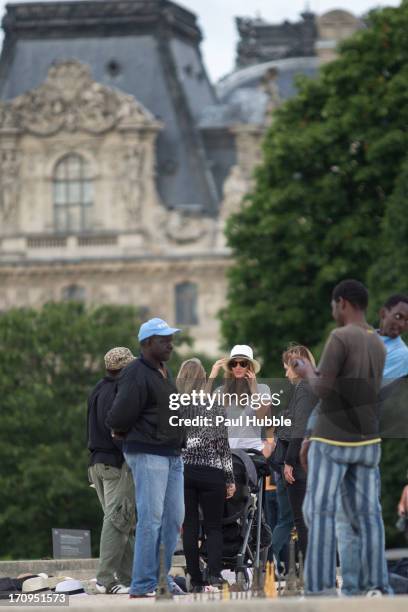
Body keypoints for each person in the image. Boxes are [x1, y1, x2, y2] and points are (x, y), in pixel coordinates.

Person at [297, 279, 390, 595]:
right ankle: (376, 584)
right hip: (367, 440)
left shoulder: (340, 336)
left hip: (333, 438)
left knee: (320, 513)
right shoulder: (377, 341)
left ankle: (319, 586)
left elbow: (323, 389)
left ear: (343, 303)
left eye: (334, 305)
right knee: (369, 517)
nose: (333, 311)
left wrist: (306, 369)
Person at [106, 318, 185, 598]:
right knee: (151, 518)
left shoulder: (164, 370)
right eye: (164, 339)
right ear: (147, 343)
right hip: (149, 452)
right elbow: (117, 415)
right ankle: (143, 584)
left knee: (175, 518)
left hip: (173, 454)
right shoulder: (136, 372)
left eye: (171, 338)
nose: (170, 344)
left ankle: (161, 579)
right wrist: (122, 431)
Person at [335, 293, 408, 594]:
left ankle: (375, 583)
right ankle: (354, 587)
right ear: (383, 313)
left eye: (406, 321)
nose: (401, 324)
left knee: (366, 516)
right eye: (398, 316)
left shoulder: (400, 355)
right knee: (343, 519)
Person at [176, 358, 236, 592]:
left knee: (189, 526)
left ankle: (195, 578)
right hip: (212, 472)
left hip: (184, 472)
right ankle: (213, 574)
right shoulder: (214, 404)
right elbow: (223, 444)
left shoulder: (176, 405)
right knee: (213, 527)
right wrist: (229, 478)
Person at [87, 346, 136, 595]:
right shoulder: (120, 390)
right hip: (116, 463)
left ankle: (131, 576)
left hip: (96, 463)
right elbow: (117, 428)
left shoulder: (98, 388)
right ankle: (104, 579)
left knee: (120, 522)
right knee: (118, 521)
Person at [278, 344, 316, 559]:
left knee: (302, 520)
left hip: (301, 463)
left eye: (287, 367)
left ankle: (313, 571)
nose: (286, 373)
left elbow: (300, 427)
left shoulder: (303, 388)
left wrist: (289, 460)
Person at [209, 345, 273, 457]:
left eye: (242, 364)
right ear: (230, 367)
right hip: (227, 454)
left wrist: (254, 390)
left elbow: (265, 421)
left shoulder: (263, 389)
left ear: (250, 367)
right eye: (234, 364)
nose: (238, 367)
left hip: (253, 453)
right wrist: (212, 376)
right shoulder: (221, 391)